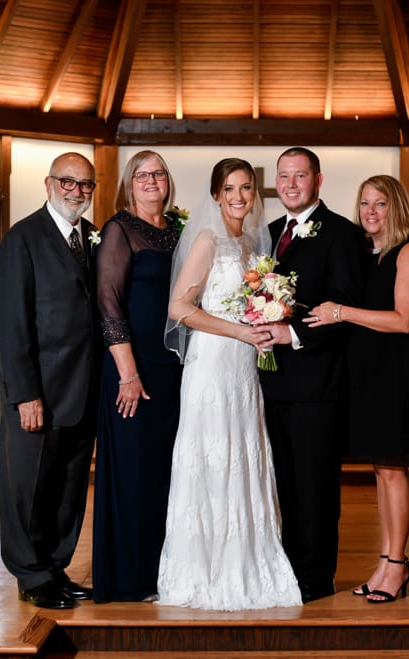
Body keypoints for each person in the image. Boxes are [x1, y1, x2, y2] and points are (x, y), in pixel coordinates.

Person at [157, 158, 302, 610]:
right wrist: (240, 330)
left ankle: (248, 561)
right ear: (216, 194)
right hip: (212, 363)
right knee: (213, 456)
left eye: (246, 188)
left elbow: (255, 303)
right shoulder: (207, 240)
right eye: (230, 189)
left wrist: (265, 318)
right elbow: (178, 307)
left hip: (244, 367)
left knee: (243, 454)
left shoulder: (252, 242)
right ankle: (205, 569)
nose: (239, 197)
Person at [306, 174, 409, 604]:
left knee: (394, 471)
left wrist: (341, 312)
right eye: (364, 204)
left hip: (397, 376)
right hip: (370, 376)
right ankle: (386, 562)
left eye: (380, 203)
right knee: (382, 472)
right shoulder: (372, 256)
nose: (371, 212)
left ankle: (396, 565)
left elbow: (404, 320)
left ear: (396, 207)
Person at [0, 152, 101, 610]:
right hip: (38, 393)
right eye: (68, 182)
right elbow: (9, 322)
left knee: (68, 489)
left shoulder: (92, 237)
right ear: (49, 183)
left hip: (82, 390)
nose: (77, 191)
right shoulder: (22, 238)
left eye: (86, 185)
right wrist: (26, 394)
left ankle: (55, 568)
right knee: (28, 489)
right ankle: (31, 575)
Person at [259, 147, 367, 603]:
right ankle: (287, 567)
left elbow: (344, 304)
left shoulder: (342, 234)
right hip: (270, 382)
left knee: (315, 485)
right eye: (283, 176)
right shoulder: (267, 235)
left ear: (317, 180)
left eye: (299, 176)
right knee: (284, 482)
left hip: (317, 383)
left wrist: (292, 335)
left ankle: (315, 578)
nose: (290, 184)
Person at [91, 150, 184, 602]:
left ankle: (165, 571)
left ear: (168, 182)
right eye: (142, 175)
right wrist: (128, 374)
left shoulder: (178, 232)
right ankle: (131, 578)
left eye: (158, 174)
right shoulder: (118, 229)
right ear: (130, 183)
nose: (151, 181)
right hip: (134, 372)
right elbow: (108, 304)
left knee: (168, 474)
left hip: (175, 373)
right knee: (134, 474)